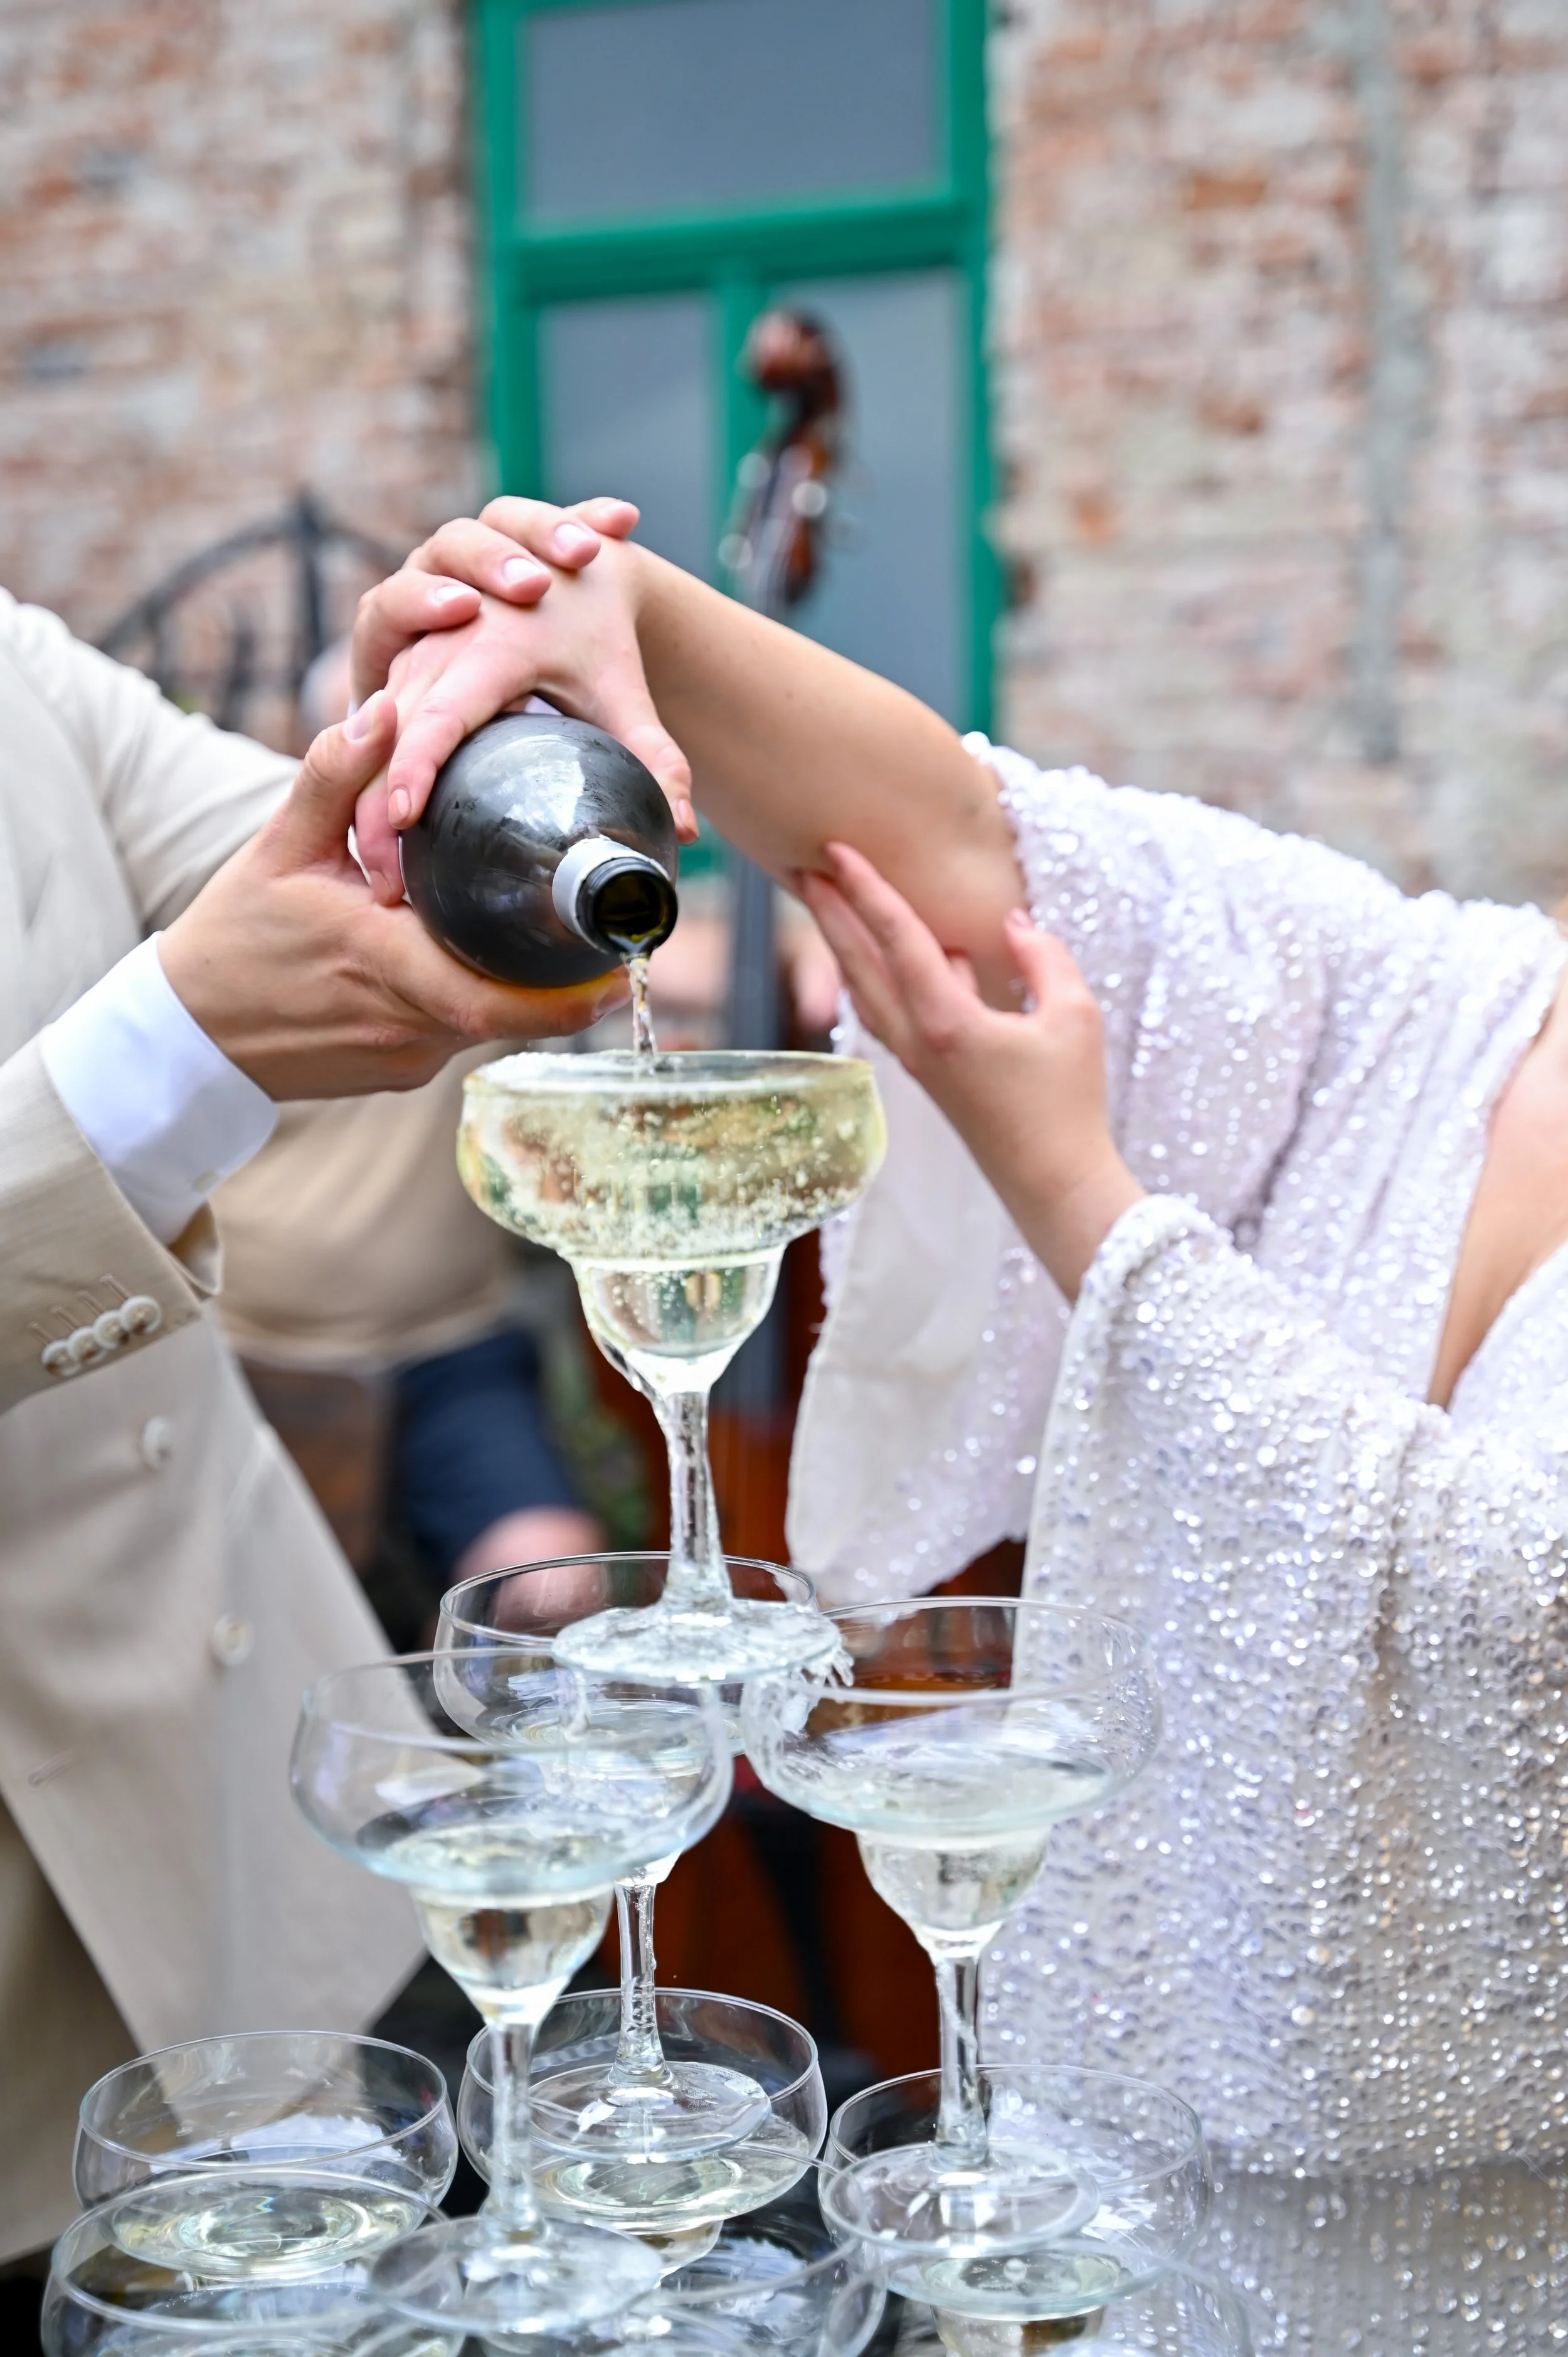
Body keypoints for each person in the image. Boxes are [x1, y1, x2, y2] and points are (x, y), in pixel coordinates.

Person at [353, 499, 1568, 2347]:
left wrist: (1078, 1196)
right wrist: (623, 618)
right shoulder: (1456, 997)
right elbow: (981, 868)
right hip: (1088, 2218)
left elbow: (1506, 1602)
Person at [0, 515, 641, 2264]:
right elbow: (217, 1013)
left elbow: (364, 876)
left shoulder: (24, 665)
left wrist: (454, 747)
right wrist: (167, 1059)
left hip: (236, 1851)